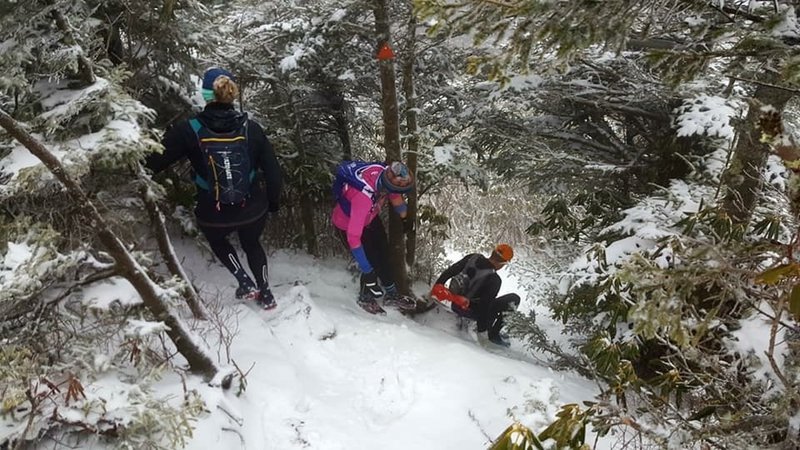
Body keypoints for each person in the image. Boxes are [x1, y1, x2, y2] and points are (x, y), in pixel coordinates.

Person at [145, 67, 282, 310]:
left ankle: (243, 281)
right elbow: (272, 171)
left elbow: (152, 162)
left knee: (218, 241)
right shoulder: (252, 129)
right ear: (231, 93)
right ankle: (266, 292)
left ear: (206, 95)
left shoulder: (188, 130)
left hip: (213, 212)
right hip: (252, 208)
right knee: (252, 243)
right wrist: (272, 203)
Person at [332, 160, 418, 315]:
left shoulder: (384, 174)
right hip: (348, 224)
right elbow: (353, 238)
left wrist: (405, 218)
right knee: (370, 259)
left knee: (384, 252)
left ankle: (391, 294)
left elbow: (395, 197)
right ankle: (365, 296)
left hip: (370, 218)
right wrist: (367, 271)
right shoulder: (363, 198)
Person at [430, 244, 520, 347]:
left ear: (492, 253)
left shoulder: (472, 258)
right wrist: (483, 335)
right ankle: (493, 335)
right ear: (503, 263)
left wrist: (436, 287)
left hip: (454, 302)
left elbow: (450, 271)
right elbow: (484, 307)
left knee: (488, 303)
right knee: (514, 299)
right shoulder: (494, 280)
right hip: (469, 310)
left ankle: (484, 327)